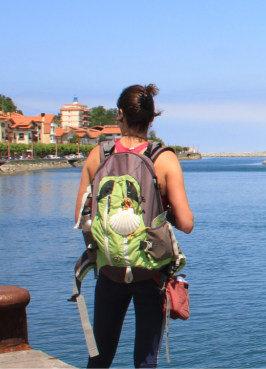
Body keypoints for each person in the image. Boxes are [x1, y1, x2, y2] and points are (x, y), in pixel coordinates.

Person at [73, 84, 194, 368]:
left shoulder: (98, 156)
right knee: (146, 361)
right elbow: (186, 224)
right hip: (150, 272)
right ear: (153, 118)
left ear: (120, 115)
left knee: (100, 357)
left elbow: (82, 218)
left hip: (109, 270)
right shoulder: (162, 158)